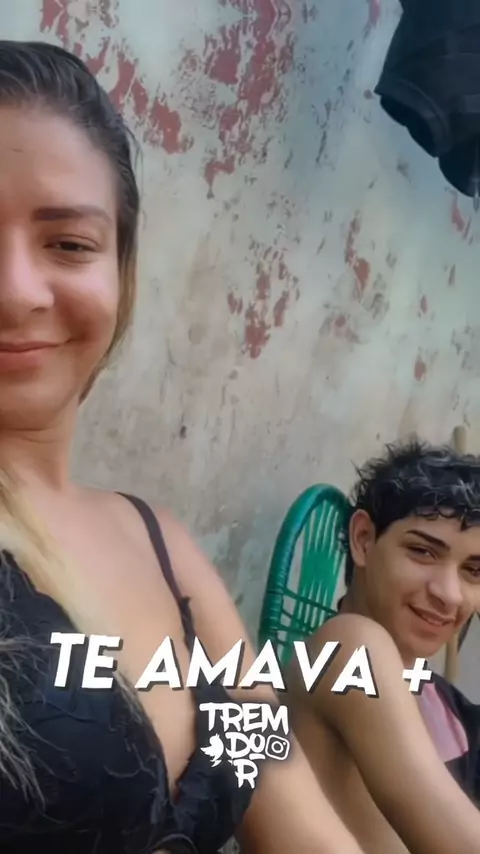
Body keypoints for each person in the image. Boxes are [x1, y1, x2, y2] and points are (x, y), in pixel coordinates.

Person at [0, 39, 366, 854]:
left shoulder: (162, 544)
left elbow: (274, 772)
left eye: (69, 244)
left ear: (121, 272)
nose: (17, 291)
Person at [288, 439, 480, 854]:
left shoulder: (438, 699)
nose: (449, 594)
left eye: (474, 571)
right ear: (363, 539)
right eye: (423, 552)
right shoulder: (348, 648)